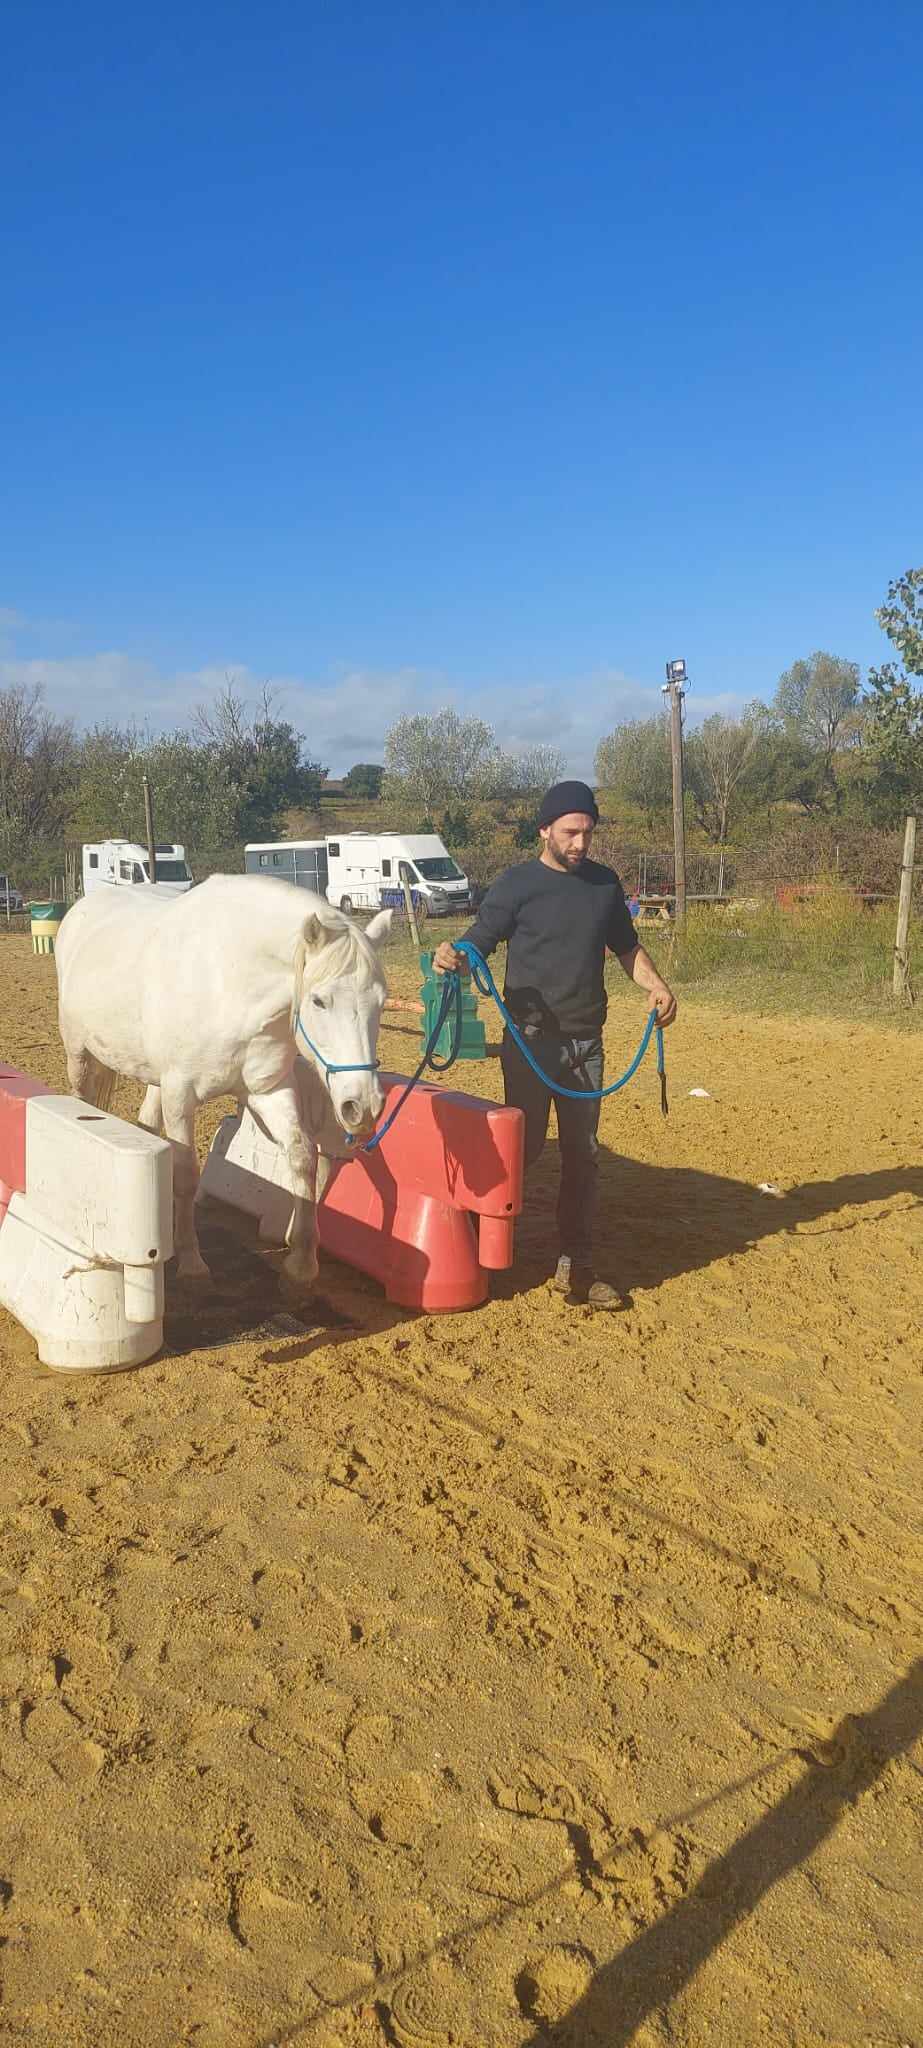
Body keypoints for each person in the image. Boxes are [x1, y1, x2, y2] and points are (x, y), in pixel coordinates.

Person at [434, 779, 677, 1308]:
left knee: (582, 1156)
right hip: (530, 1042)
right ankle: (479, 1243)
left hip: (586, 1041)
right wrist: (452, 953)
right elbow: (479, 940)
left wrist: (656, 985)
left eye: (587, 833)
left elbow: (627, 947)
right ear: (544, 829)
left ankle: (578, 1265)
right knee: (520, 1151)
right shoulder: (516, 886)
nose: (580, 844)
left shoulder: (604, 886)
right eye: (570, 832)